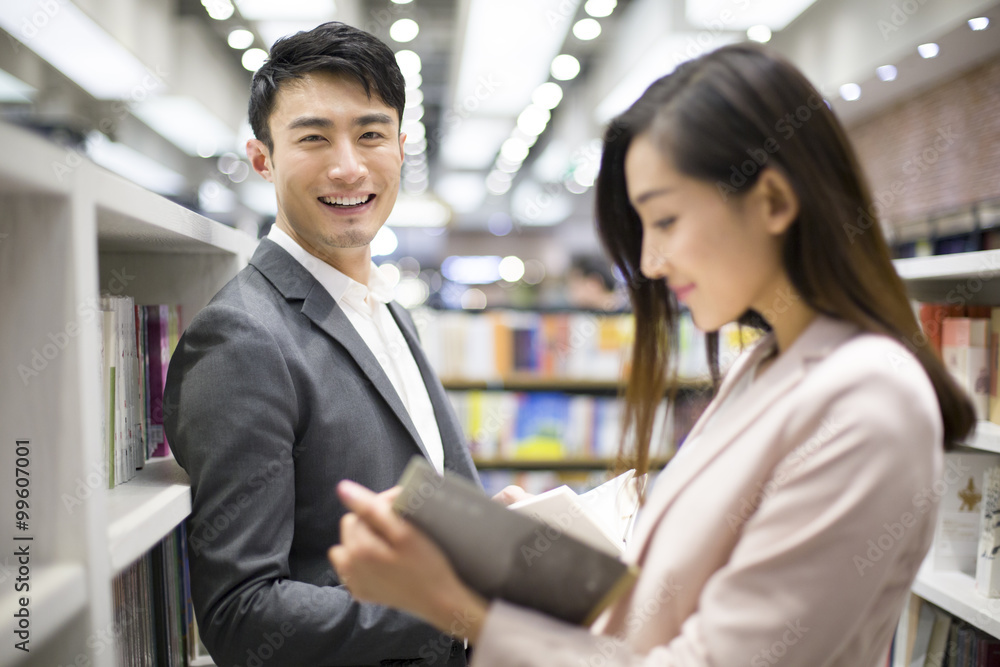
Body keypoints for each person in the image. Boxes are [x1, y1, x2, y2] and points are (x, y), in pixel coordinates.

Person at [326, 43, 976, 666]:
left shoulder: (869, 403)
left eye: (665, 221)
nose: (649, 262)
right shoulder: (765, 362)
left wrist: (452, 605)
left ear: (774, 200)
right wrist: (539, 550)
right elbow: (688, 576)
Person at [163, 22, 479, 667]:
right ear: (263, 159)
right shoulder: (242, 338)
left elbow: (443, 502)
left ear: (400, 145)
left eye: (370, 134)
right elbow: (240, 614)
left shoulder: (390, 313)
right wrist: (453, 610)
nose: (347, 166)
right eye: (312, 137)